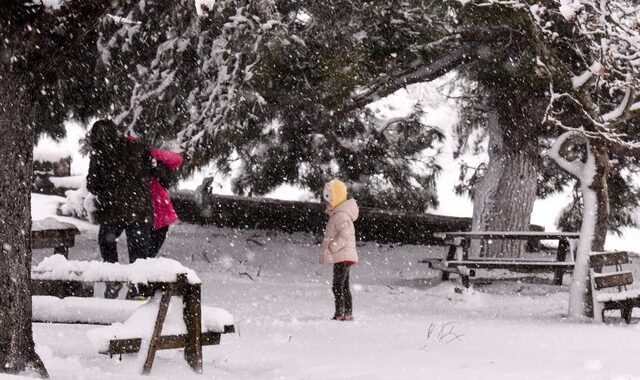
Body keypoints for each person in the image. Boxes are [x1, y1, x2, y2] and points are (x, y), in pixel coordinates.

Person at [85, 119, 155, 299]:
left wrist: (106, 189)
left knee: (106, 242)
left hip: (114, 210)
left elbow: (92, 185)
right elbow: (151, 170)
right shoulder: (136, 147)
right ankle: (138, 289)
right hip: (140, 209)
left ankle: (113, 278)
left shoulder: (99, 155)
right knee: (139, 252)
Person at [319, 179, 359, 321]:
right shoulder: (338, 214)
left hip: (342, 255)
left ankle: (340, 313)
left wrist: (332, 246)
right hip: (343, 255)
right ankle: (347, 313)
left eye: (329, 198)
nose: (326, 202)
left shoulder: (341, 215)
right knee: (343, 286)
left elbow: (345, 234)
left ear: (336, 197)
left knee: (337, 286)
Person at [147, 147, 183, 257]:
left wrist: (152, 153)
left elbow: (177, 159)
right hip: (146, 213)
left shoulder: (159, 162)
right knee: (144, 254)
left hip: (161, 213)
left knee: (151, 253)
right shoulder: (136, 162)